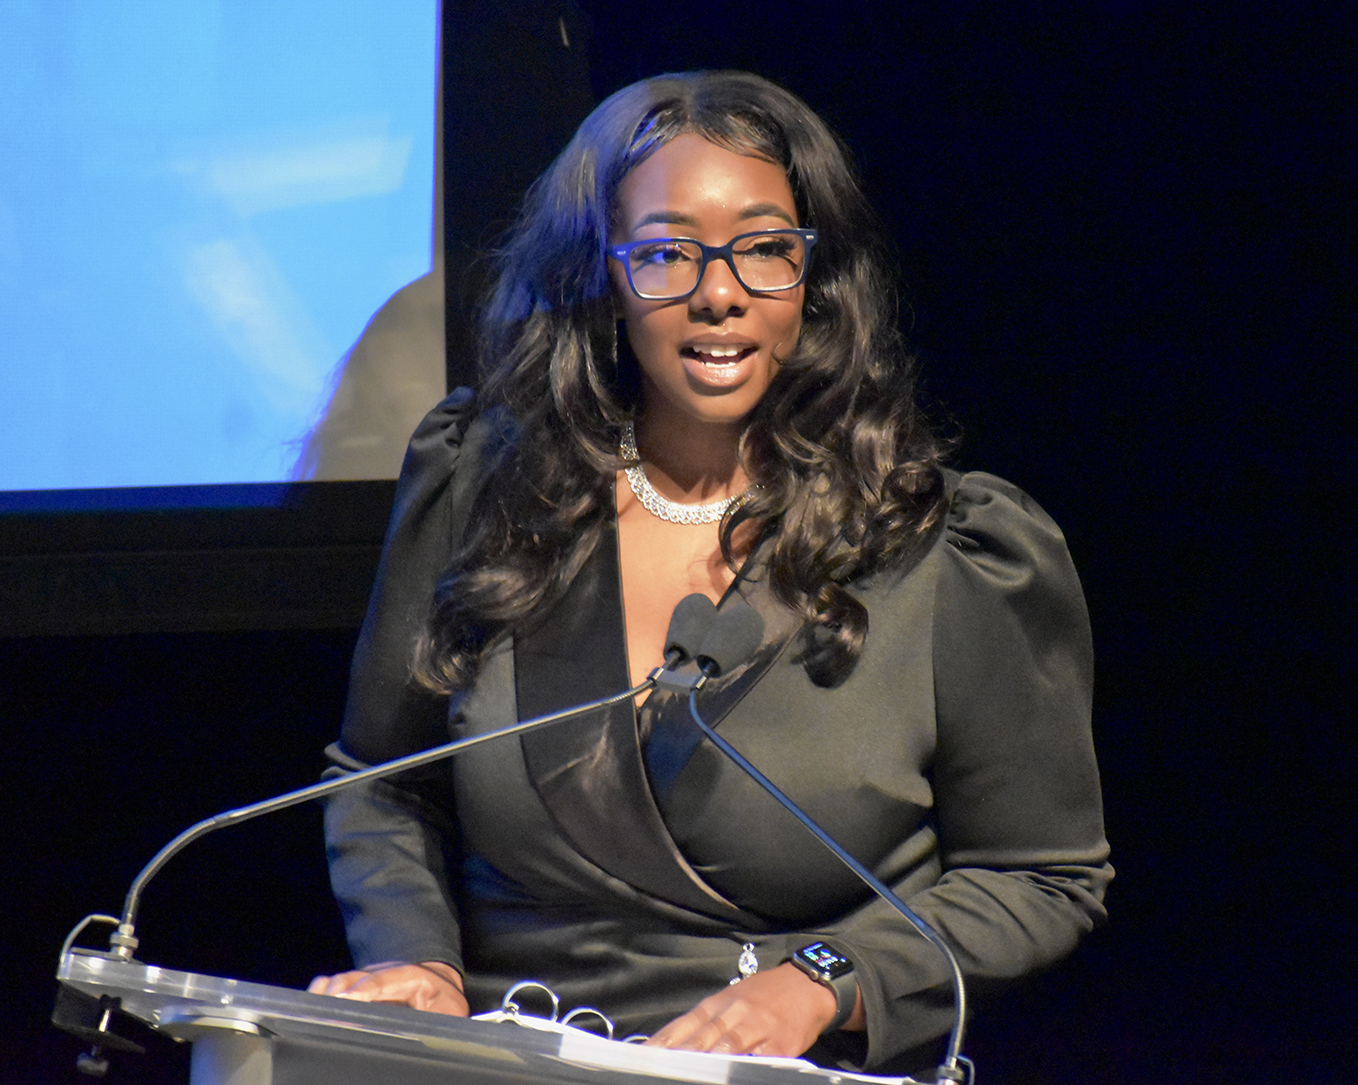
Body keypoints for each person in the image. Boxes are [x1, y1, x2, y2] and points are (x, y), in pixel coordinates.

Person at [309, 70, 1111, 1074]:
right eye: (667, 252)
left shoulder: (948, 549)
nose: (719, 291)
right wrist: (415, 959)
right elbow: (382, 783)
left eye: (766, 249)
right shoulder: (483, 492)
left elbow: (1039, 875)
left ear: (814, 279)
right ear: (598, 275)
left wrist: (824, 979)